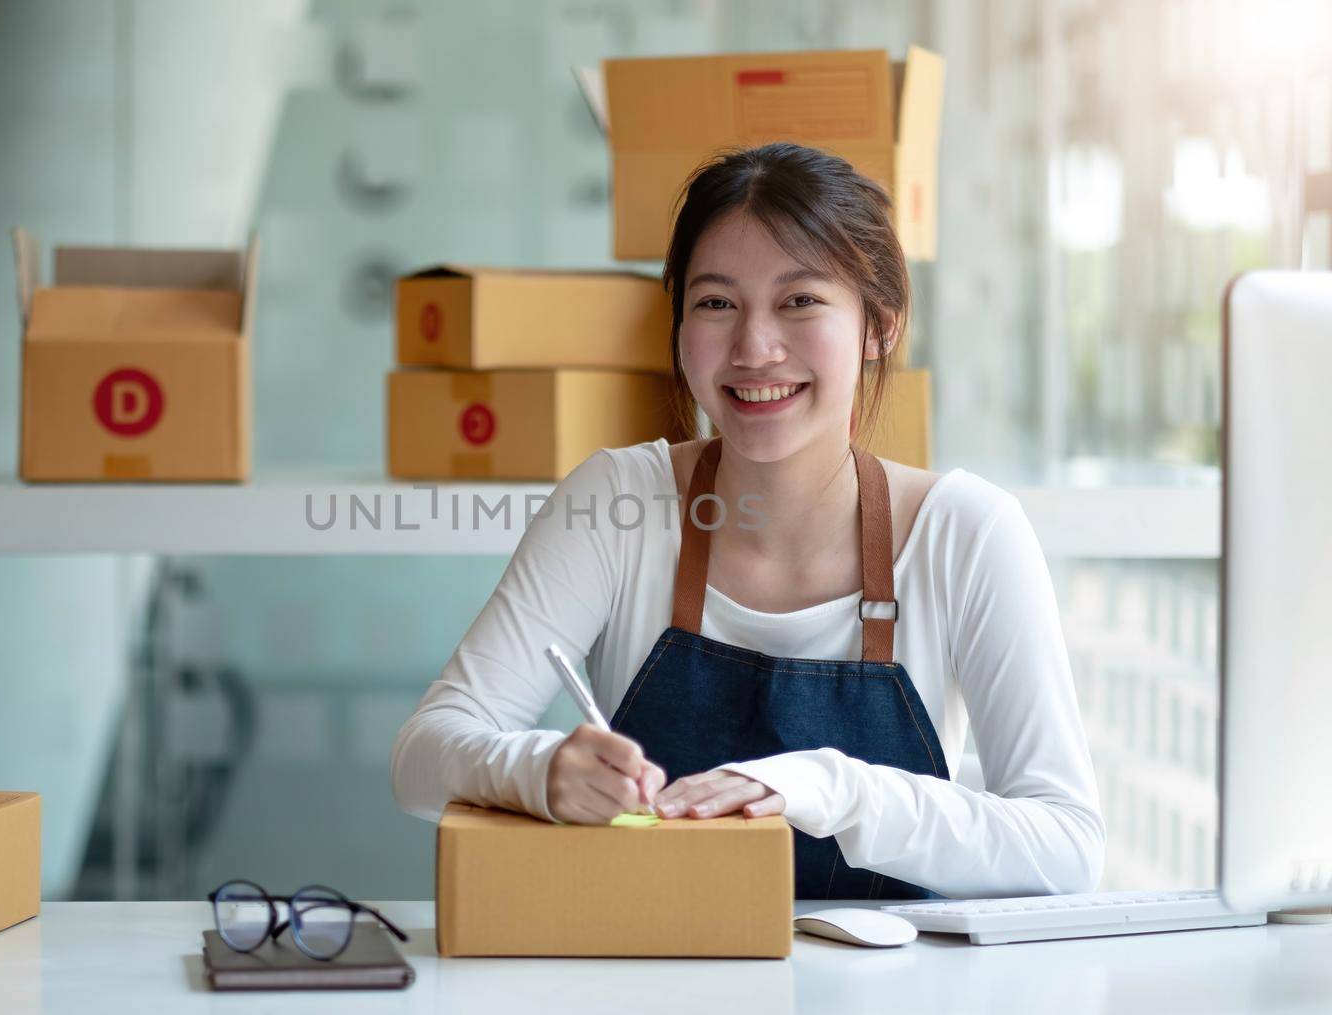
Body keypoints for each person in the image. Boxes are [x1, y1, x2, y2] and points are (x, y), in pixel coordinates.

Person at [390, 142, 1105, 899]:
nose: (754, 348)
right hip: (651, 973)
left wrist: (834, 788)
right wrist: (541, 771)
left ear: (879, 326)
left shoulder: (968, 533)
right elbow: (422, 758)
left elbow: (1065, 845)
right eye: (716, 302)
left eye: (800, 300)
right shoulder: (614, 504)